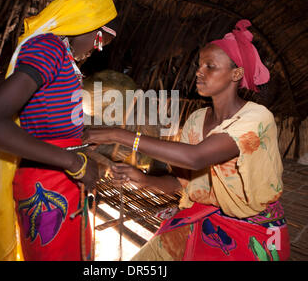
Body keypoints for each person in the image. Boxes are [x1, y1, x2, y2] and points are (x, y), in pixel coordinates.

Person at [83, 19, 290, 261]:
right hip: (201, 220)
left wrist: (117, 134)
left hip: (251, 233)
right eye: (199, 65)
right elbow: (184, 182)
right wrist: (143, 179)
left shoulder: (256, 118)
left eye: (210, 66)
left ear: (236, 74)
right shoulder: (196, 120)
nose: (199, 72)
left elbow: (196, 158)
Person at [0, 0, 117, 261]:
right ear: (85, 25)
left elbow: (8, 93)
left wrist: (84, 139)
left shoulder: (57, 54)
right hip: (46, 184)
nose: (96, 50)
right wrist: (75, 162)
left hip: (61, 175)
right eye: (98, 41)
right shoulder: (47, 48)